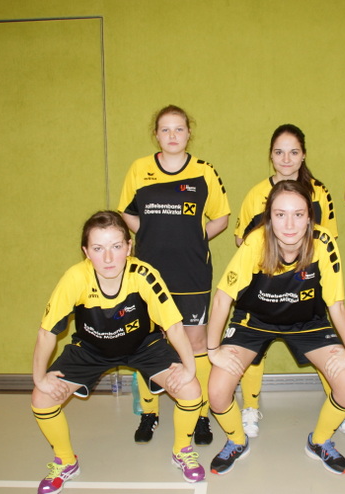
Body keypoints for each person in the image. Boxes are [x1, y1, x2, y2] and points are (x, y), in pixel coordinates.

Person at [31, 211, 206, 493]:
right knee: (41, 398)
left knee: (190, 388)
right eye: (98, 248)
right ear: (86, 252)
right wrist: (39, 378)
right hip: (91, 348)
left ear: (128, 247)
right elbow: (47, 332)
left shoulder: (144, 275)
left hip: (143, 345)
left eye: (116, 246)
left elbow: (173, 325)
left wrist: (189, 369)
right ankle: (65, 461)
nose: (108, 258)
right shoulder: (75, 278)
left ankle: (181, 451)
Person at [206, 180, 345, 476]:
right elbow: (223, 297)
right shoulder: (256, 241)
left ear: (309, 217)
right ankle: (237, 441)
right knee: (217, 391)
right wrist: (213, 350)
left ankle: (320, 441)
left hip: (307, 322)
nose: (289, 224)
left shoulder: (323, 241)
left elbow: (336, 305)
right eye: (280, 214)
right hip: (254, 321)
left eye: (298, 214)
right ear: (269, 217)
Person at [233, 124, 345, 437]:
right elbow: (241, 241)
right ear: (271, 156)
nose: (286, 159)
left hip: (305, 289)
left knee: (321, 345)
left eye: (293, 152)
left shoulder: (319, 192)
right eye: (279, 152)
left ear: (303, 156)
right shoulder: (256, 194)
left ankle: (339, 405)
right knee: (253, 348)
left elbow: (327, 240)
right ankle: (250, 407)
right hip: (264, 290)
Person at [118, 105, 230, 446]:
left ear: (188, 133)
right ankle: (149, 412)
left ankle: (200, 414)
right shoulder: (139, 169)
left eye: (178, 129)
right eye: (165, 129)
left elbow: (221, 218)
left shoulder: (204, 171)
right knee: (147, 342)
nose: (172, 135)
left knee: (195, 344)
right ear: (156, 135)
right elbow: (126, 212)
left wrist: (193, 237)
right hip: (149, 274)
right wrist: (149, 233)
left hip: (192, 272)